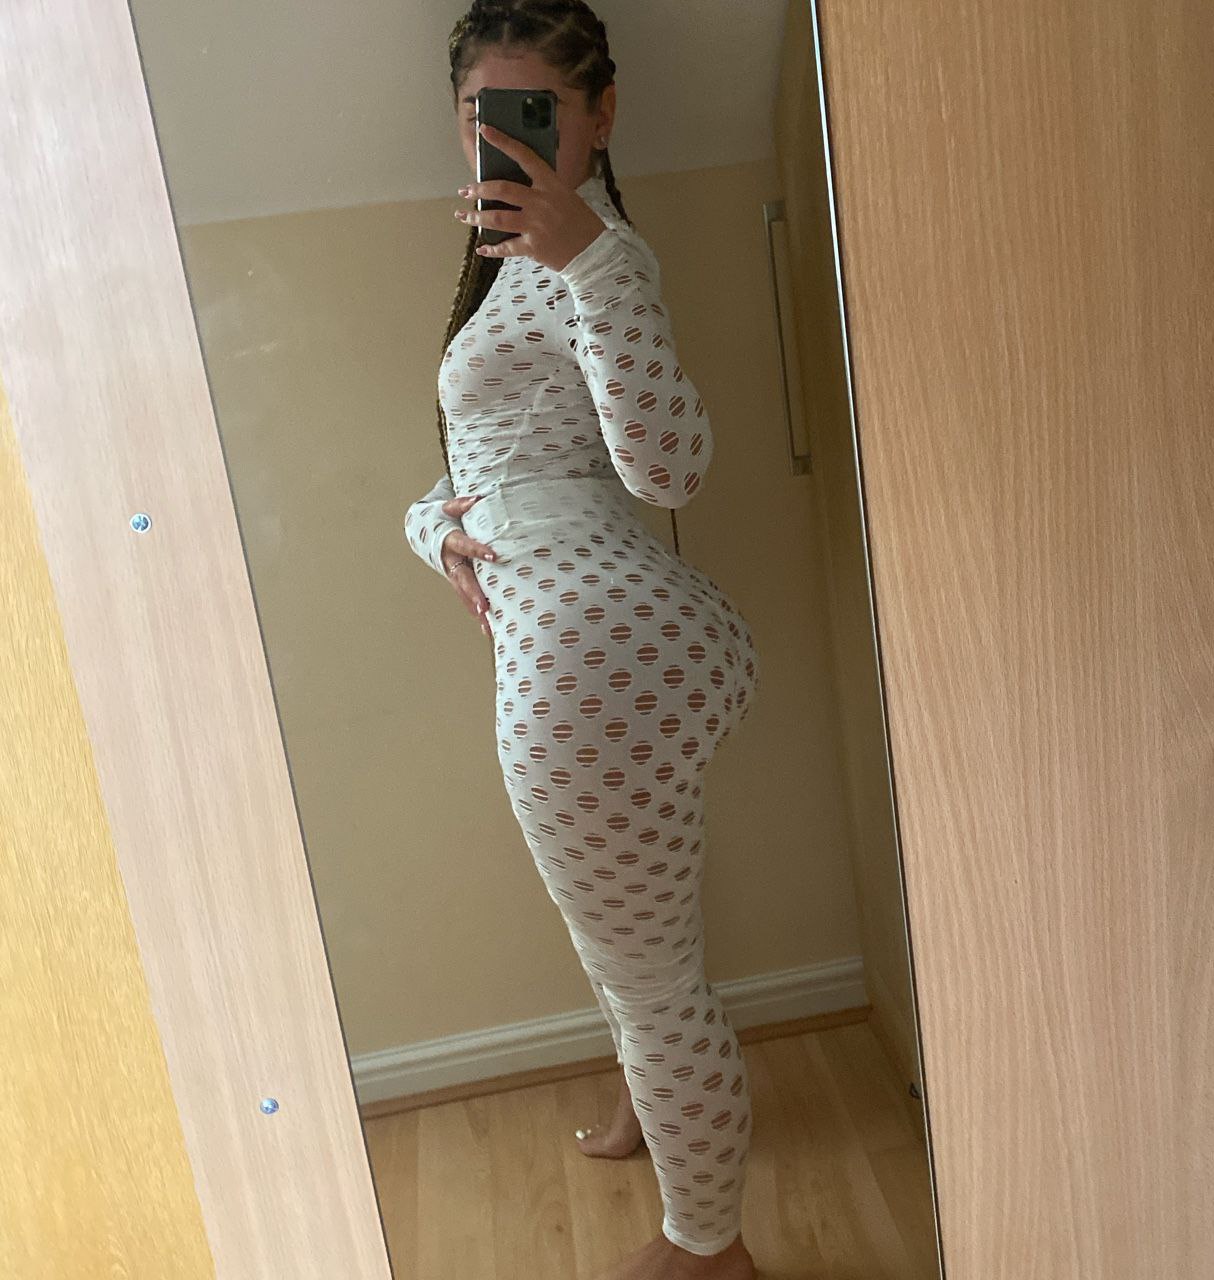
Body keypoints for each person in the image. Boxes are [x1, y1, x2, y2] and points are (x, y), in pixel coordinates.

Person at [405, 4, 760, 1276]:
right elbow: (497, 470)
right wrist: (429, 529)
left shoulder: (598, 257)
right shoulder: (509, 264)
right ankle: (650, 1113)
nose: (506, 140)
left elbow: (668, 470)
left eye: (537, 113)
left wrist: (596, 263)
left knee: (649, 977)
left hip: (585, 651)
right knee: (641, 953)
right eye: (483, 115)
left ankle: (706, 1245)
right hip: (608, 633)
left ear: (599, 116)